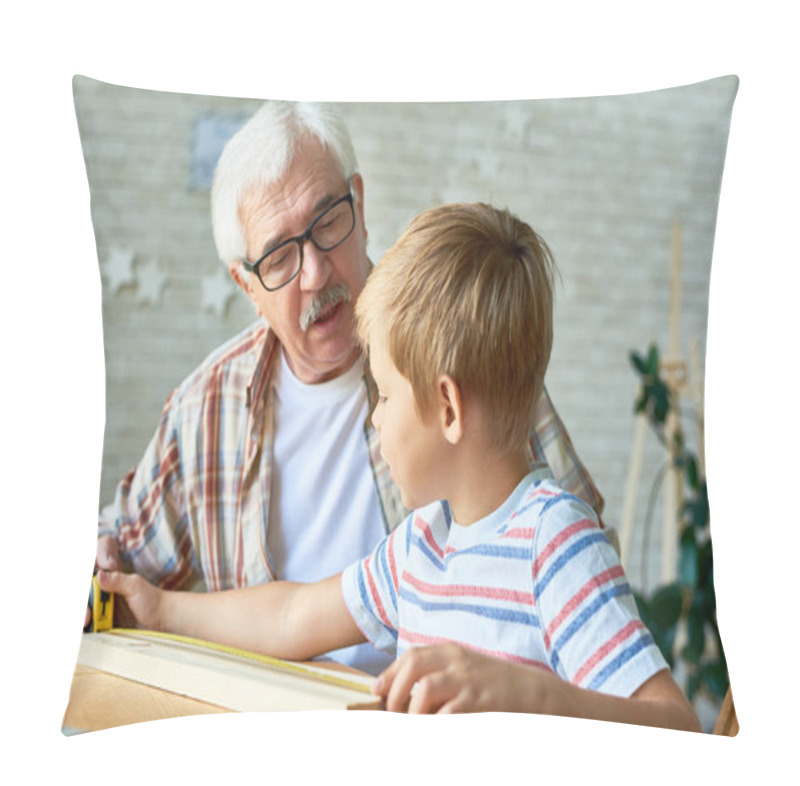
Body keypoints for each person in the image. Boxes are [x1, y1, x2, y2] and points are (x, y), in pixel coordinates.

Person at [98, 202, 700, 730]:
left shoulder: (557, 543)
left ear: (447, 406)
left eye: (383, 394)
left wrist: (530, 695)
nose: (376, 418)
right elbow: (289, 614)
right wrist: (159, 609)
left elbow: (676, 730)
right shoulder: (419, 547)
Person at [91, 101, 605, 676]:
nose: (315, 272)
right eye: (280, 256)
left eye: (328, 222)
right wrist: (122, 582)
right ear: (245, 283)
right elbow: (144, 563)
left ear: (359, 204)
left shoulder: (464, 351)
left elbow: (579, 568)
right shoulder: (205, 411)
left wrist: (524, 694)